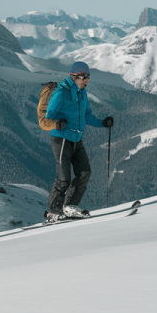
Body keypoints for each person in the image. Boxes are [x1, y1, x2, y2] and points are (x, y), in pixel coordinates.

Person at [44, 62, 114, 221]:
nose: (87, 80)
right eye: (84, 77)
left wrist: (102, 123)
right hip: (61, 139)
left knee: (84, 172)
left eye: (88, 76)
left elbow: (87, 116)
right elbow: (49, 115)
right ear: (74, 76)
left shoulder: (82, 93)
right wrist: (58, 123)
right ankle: (54, 211)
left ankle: (70, 206)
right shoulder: (61, 92)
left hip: (76, 138)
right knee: (63, 179)